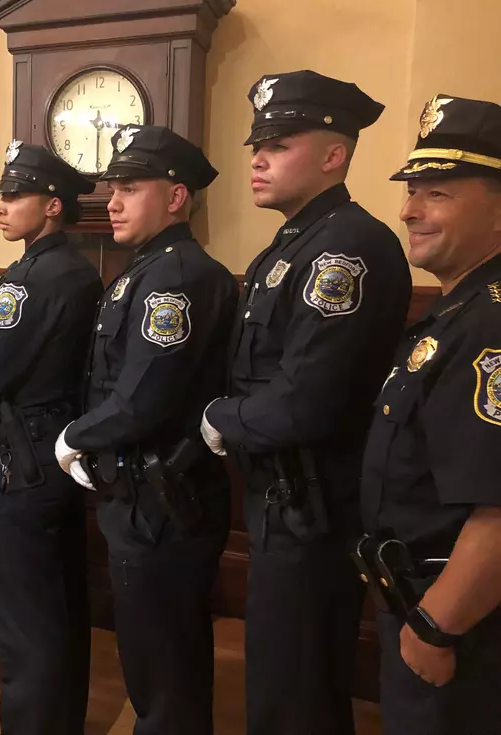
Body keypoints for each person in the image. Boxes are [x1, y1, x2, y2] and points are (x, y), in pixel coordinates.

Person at [200, 71, 412, 735]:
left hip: (313, 504)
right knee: (276, 673)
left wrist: (218, 420)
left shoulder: (346, 248)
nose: (257, 157)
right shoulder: (292, 244)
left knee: (298, 688)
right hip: (280, 500)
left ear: (334, 155)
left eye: (280, 143)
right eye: (257, 144)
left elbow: (304, 401)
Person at [53, 124, 237, 735]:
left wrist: (75, 436)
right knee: (151, 652)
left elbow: (142, 399)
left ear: (176, 196)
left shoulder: (177, 275)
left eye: (130, 188)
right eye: (112, 188)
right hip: (137, 496)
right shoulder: (148, 267)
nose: (112, 201)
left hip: (162, 500)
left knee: (164, 660)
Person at [356, 94, 501, 735]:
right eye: (413, 189)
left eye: (437, 192)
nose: (408, 210)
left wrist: (433, 626)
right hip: (420, 599)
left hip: (458, 620)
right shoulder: (459, 311)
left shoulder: (491, 324)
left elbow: (497, 510)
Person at [0, 141, 99, 735]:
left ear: (53, 205)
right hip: (55, 451)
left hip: (24, 458)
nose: (2, 207)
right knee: (58, 604)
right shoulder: (79, 271)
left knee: (26, 614)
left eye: (16, 196)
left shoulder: (31, 277)